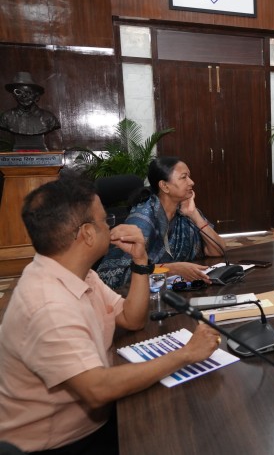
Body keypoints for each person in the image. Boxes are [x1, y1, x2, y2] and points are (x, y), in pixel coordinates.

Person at [0, 177, 219, 454]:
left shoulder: (79, 272)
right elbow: (97, 390)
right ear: (87, 234)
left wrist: (140, 262)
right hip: (62, 444)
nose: (111, 226)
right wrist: (186, 354)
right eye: (105, 220)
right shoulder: (47, 305)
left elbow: (131, 319)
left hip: (96, 420)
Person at [97, 156, 226, 288]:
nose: (191, 182)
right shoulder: (142, 220)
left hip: (174, 289)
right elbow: (113, 275)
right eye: (184, 177)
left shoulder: (184, 211)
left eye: (189, 176)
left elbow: (218, 250)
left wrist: (194, 215)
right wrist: (171, 269)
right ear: (164, 186)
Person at [0, 71, 60, 136]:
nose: (24, 96)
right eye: (18, 92)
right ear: (14, 95)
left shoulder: (49, 118)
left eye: (28, 92)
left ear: (37, 96)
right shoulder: (6, 117)